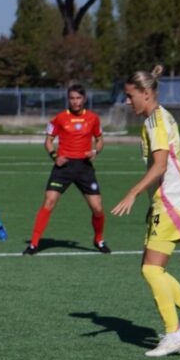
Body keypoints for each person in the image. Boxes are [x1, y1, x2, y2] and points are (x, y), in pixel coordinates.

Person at [110, 65, 180, 357]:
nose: (127, 102)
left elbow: (160, 165)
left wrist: (133, 193)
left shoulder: (155, 122)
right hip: (170, 203)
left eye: (130, 96)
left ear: (146, 93)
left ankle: (174, 334)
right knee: (155, 269)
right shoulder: (159, 117)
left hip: (172, 202)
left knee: (150, 269)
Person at [24, 84, 108, 255]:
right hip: (63, 167)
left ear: (84, 99)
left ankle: (98, 240)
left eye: (78, 98)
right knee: (49, 202)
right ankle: (33, 244)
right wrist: (55, 156)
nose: (75, 102)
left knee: (97, 208)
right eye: (72, 98)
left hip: (84, 167)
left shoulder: (93, 118)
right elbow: (48, 141)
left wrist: (95, 151)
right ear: (68, 99)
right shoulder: (59, 118)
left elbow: (99, 140)